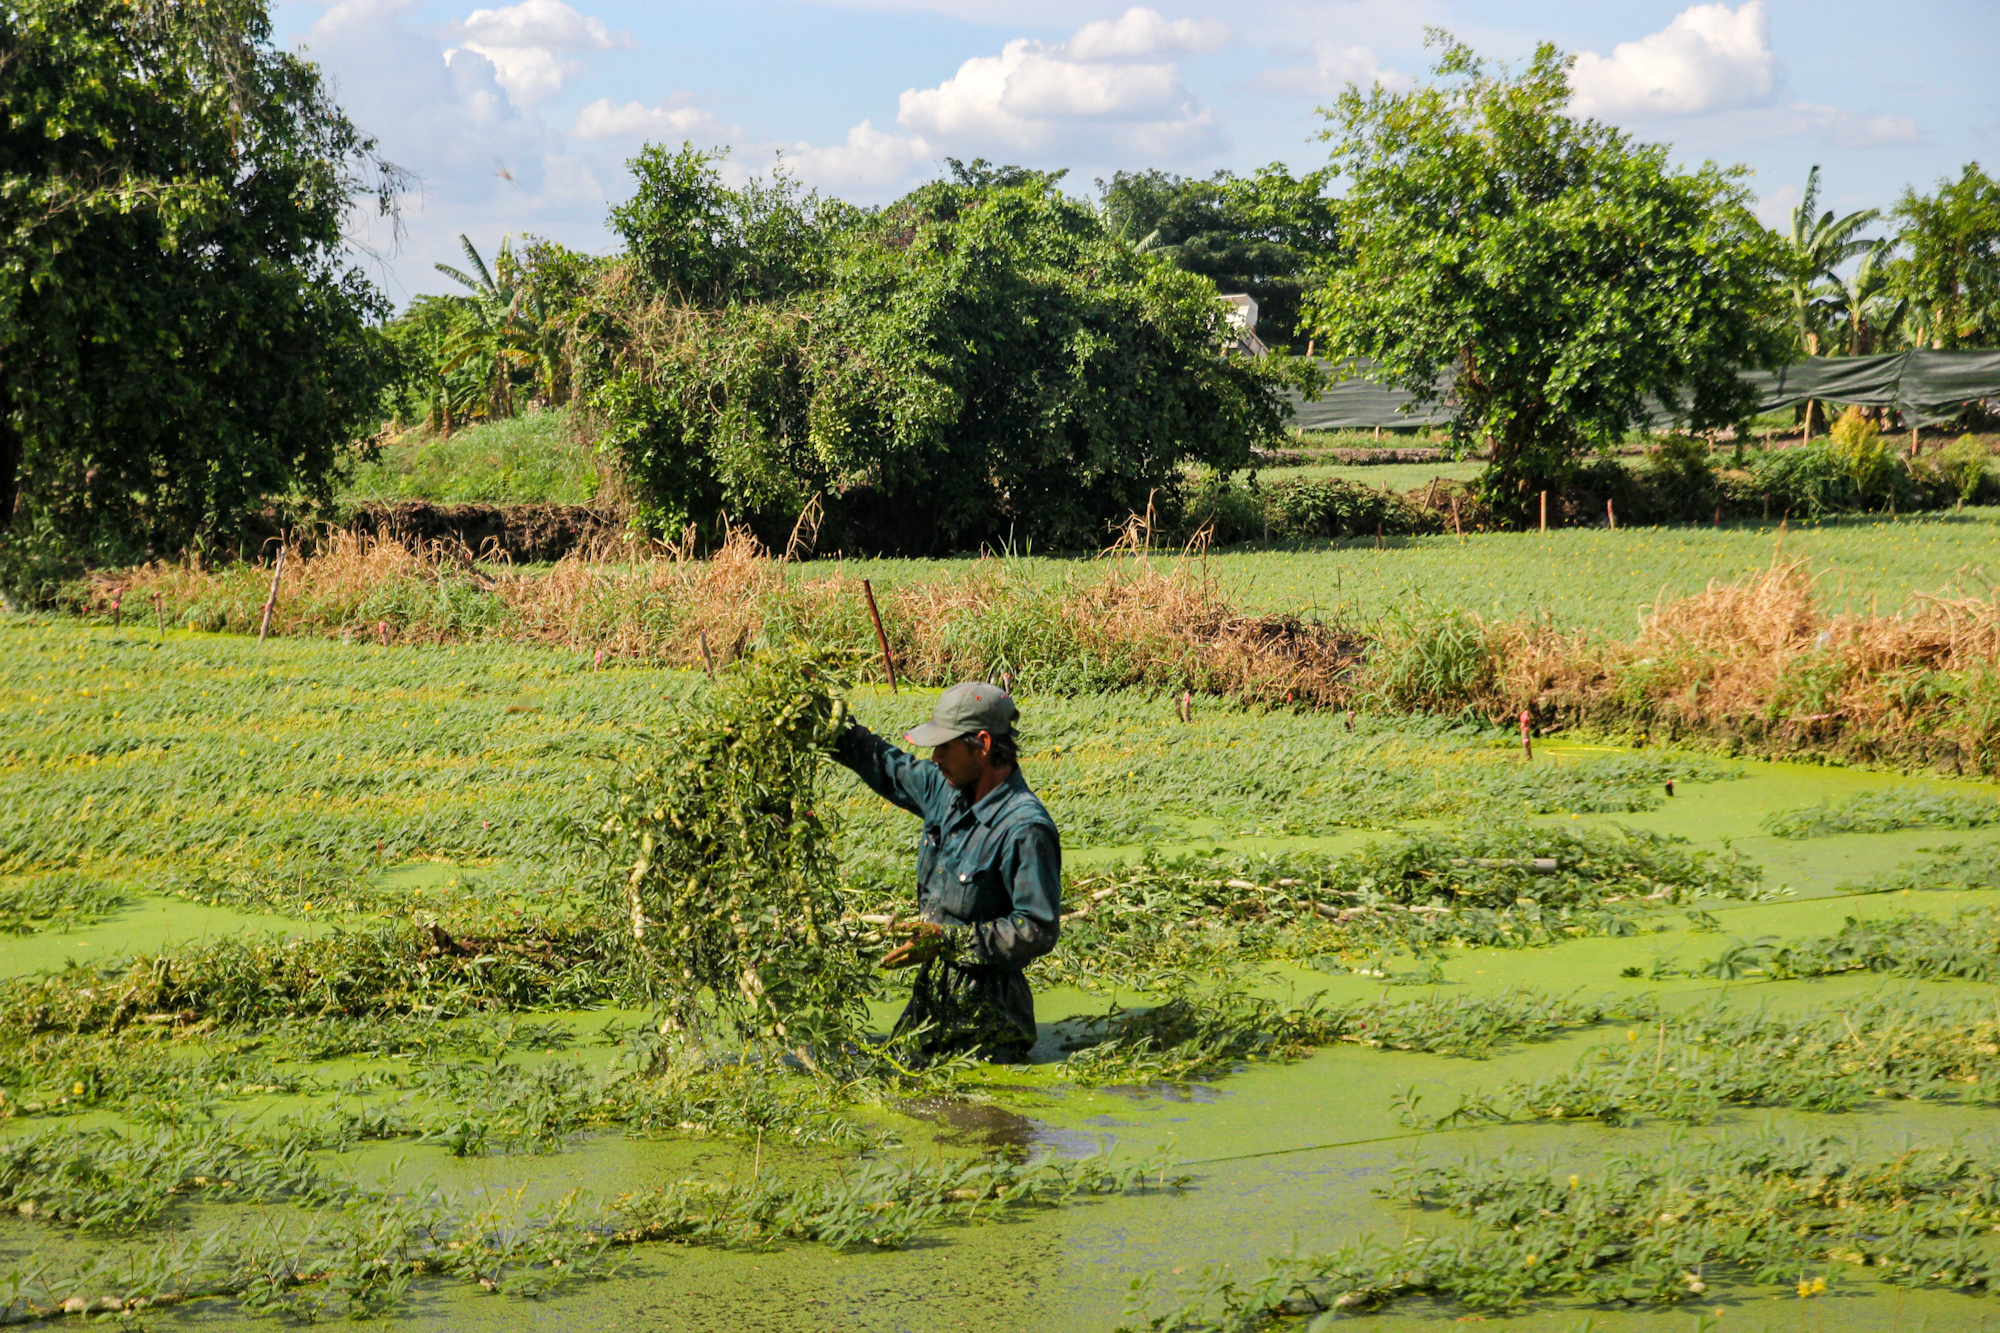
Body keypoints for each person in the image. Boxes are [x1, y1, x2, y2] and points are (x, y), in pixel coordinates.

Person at [832, 681, 1060, 1063]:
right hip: (932, 1003)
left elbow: (1037, 929)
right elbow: (886, 764)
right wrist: (828, 722)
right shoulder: (945, 790)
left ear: (983, 744)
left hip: (990, 1025)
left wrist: (947, 941)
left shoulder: (1024, 828)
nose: (935, 756)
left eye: (945, 746)